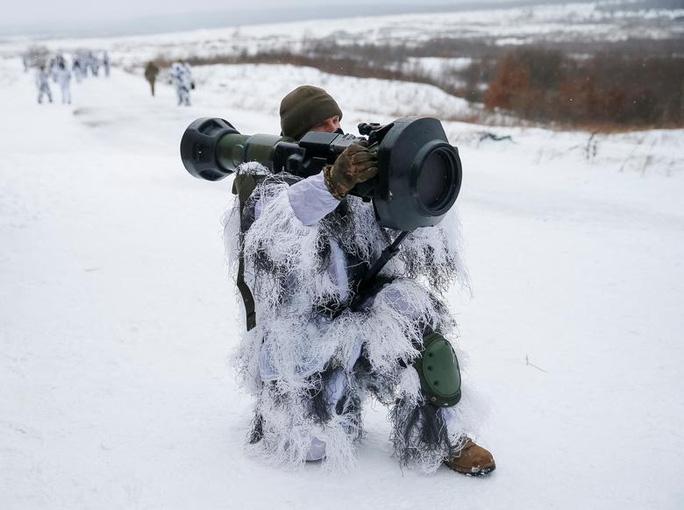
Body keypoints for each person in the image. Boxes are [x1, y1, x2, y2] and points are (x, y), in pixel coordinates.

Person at [223, 85, 495, 475]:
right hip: (301, 330)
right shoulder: (270, 186)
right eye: (322, 124)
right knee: (314, 444)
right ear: (299, 134)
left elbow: (416, 251)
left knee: (416, 317)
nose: (335, 128)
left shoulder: (359, 181)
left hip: (361, 311)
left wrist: (415, 194)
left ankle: (444, 439)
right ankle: (305, 409)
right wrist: (332, 184)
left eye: (337, 119)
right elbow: (279, 235)